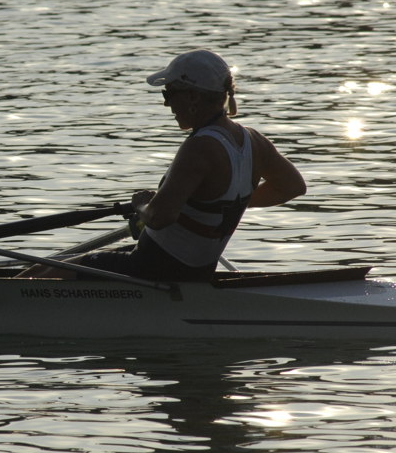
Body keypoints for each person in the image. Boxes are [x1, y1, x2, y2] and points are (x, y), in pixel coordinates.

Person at [22, 49, 305, 282]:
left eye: (169, 94)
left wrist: (143, 204)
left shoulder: (199, 147)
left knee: (36, 276)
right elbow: (292, 187)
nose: (168, 105)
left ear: (192, 96)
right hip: (194, 271)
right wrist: (223, 206)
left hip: (153, 271)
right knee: (43, 266)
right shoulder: (253, 140)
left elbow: (159, 218)